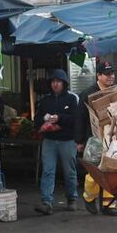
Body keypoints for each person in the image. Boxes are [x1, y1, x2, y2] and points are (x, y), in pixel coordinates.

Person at [33, 69, 80, 215]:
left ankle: (72, 198)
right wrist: (45, 122)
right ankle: (46, 202)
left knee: (69, 171)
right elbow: (37, 119)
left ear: (64, 83)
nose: (55, 84)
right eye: (53, 81)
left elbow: (77, 120)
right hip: (49, 140)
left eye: (58, 82)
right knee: (47, 170)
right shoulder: (45, 100)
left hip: (67, 140)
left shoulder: (73, 99)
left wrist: (60, 118)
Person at [76, 61, 117, 216]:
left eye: (112, 74)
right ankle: (89, 197)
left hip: (113, 138)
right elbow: (80, 119)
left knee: (111, 170)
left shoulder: (115, 92)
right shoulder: (87, 94)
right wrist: (79, 141)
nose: (111, 77)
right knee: (94, 171)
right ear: (98, 76)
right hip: (93, 139)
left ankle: (109, 204)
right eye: (107, 74)